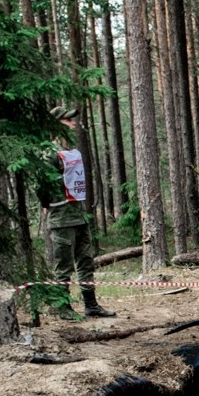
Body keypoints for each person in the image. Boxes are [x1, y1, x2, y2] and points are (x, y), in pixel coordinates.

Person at [42, 105, 115, 319]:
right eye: (67, 121)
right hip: (61, 218)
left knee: (86, 262)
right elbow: (43, 185)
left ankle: (91, 305)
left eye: (72, 120)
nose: (73, 124)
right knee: (63, 267)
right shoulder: (49, 153)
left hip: (79, 215)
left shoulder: (71, 151)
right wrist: (47, 204)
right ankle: (62, 308)